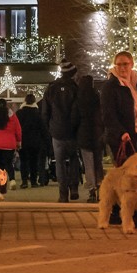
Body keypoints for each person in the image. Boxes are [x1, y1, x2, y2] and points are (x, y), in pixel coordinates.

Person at [100, 51, 137, 162]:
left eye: (125, 64)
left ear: (132, 64)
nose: (122, 68)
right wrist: (121, 132)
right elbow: (108, 114)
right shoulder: (111, 87)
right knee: (129, 173)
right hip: (126, 138)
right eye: (119, 64)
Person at [42, 60, 80, 203]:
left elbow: (45, 112)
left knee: (59, 162)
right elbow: (79, 110)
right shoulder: (75, 88)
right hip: (72, 130)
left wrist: (49, 129)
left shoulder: (51, 88)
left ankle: (63, 194)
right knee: (74, 158)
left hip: (57, 131)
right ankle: (74, 187)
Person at [75, 74, 104, 203]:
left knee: (88, 164)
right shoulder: (97, 96)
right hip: (97, 133)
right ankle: (101, 188)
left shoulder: (79, 97)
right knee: (98, 163)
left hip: (84, 134)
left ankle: (92, 191)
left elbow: (75, 117)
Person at [15, 93, 45, 189]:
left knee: (23, 161)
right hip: (35, 141)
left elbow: (16, 127)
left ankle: (24, 181)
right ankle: (33, 181)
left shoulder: (19, 113)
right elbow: (42, 128)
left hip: (23, 140)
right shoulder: (38, 113)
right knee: (34, 161)